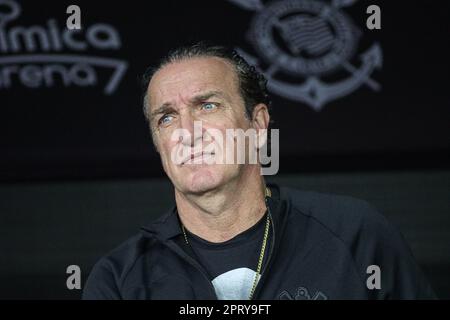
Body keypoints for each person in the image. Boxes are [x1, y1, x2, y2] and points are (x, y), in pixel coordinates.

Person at [83, 43, 436, 300]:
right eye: (167, 117)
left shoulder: (355, 234)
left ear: (258, 123)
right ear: (158, 142)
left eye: (208, 106)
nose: (187, 132)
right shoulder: (119, 279)